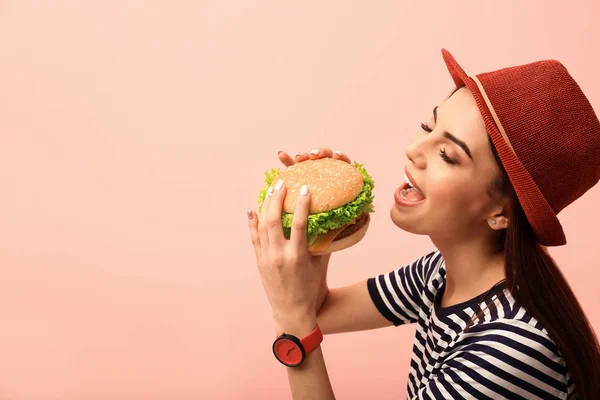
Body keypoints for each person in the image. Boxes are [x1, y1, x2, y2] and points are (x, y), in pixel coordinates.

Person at [246, 48, 600, 399]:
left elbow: (302, 318)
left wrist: (294, 328)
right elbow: (319, 313)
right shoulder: (442, 273)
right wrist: (321, 229)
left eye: (448, 154)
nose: (414, 150)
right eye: (428, 126)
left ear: (502, 213)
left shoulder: (511, 351)